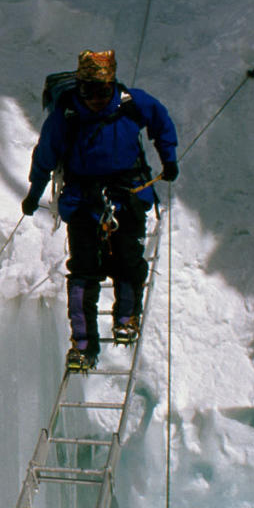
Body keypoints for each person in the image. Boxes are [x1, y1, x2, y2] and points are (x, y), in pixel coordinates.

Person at [21, 50, 178, 372]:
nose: (94, 99)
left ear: (112, 86)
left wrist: (169, 158)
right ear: (79, 88)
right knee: (83, 272)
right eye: (88, 92)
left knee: (127, 262)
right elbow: (45, 158)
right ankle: (82, 344)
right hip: (82, 202)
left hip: (126, 196)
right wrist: (34, 194)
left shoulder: (133, 103)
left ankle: (125, 319)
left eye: (102, 92)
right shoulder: (65, 116)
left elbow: (161, 123)